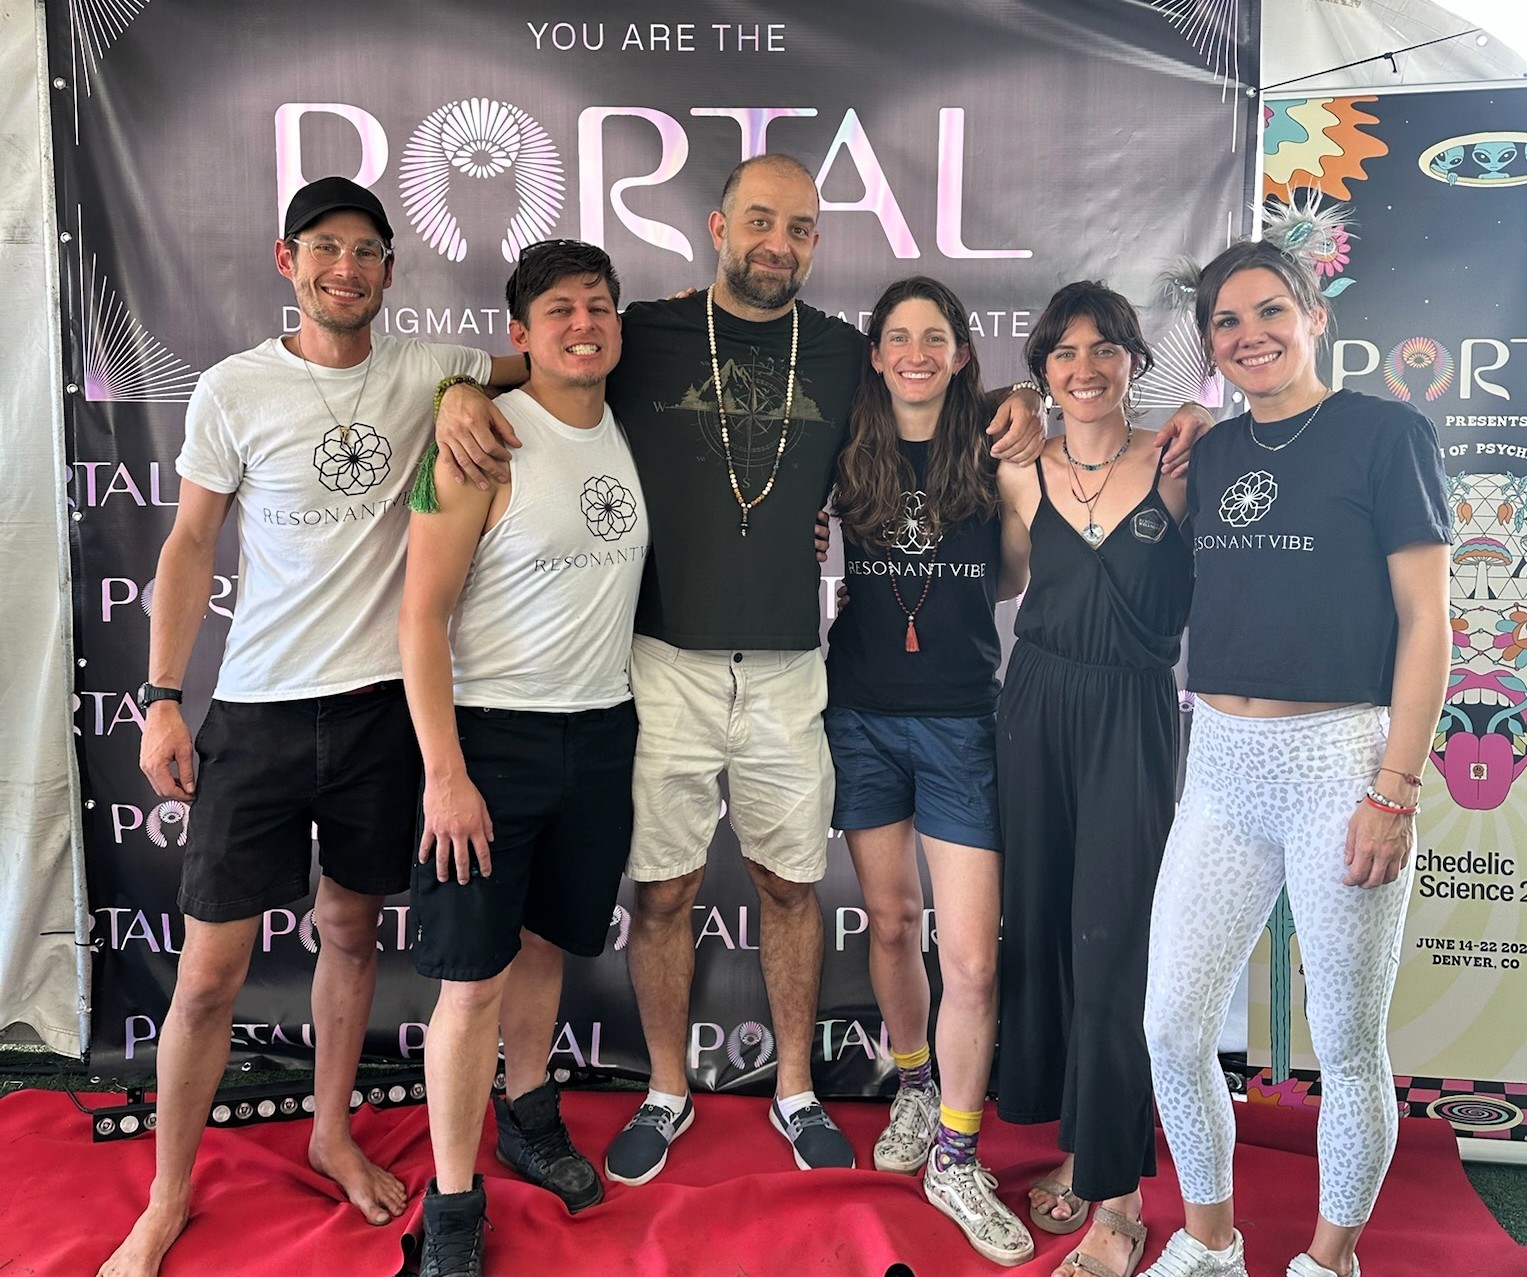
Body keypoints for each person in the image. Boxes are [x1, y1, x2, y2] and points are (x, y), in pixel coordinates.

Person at [434, 154, 1052, 1183]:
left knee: (789, 882)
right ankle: (669, 1087)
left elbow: (941, 378)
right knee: (665, 889)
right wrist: (461, 385)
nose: (779, 243)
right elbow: (546, 358)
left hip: (787, 665)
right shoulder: (648, 335)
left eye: (801, 228)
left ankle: (797, 1085)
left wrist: (1026, 396)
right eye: (760, 222)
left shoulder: (849, 351)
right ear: (718, 226)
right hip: (662, 656)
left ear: (817, 241)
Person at [99, 176, 522, 1277]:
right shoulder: (234, 388)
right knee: (205, 978)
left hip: (385, 713)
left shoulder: (429, 367)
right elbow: (189, 546)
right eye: (325, 249)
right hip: (257, 715)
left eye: (368, 251)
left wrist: (472, 397)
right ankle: (166, 1195)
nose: (348, 268)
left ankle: (331, 1131)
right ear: (287, 260)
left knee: (349, 932)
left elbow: (542, 362)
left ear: (391, 269)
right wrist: (159, 697)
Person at [1140, 228, 1452, 1277]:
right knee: (1174, 1026)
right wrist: (1189, 426)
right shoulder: (1211, 450)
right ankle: (1211, 1239)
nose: (1250, 332)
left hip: (1341, 764)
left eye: (1271, 309)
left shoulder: (1384, 432)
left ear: (1317, 317)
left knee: (1349, 1040)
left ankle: (1329, 1260)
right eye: (1227, 321)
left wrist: (1394, 791)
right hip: (1219, 765)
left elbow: (1428, 623)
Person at [398, 240, 647, 1277]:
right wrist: (445, 772)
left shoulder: (630, 428)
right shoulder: (478, 441)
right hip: (492, 739)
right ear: (519, 332)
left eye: (597, 305)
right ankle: (452, 1204)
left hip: (600, 733)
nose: (582, 322)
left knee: (545, 946)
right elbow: (419, 614)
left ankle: (529, 1109)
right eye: (558, 309)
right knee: (471, 979)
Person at [824, 276, 1031, 1265]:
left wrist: (1025, 436)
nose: (915, 350)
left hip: (959, 718)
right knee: (895, 922)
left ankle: (956, 1150)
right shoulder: (842, 436)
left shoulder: (997, 436)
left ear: (960, 352)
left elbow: (1022, 570)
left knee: (976, 957)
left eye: (935, 336)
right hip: (859, 713)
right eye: (897, 334)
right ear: (875, 352)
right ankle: (911, 1081)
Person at [993, 281, 1193, 1277]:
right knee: (1045, 929)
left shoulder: (1179, 456)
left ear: (1132, 359)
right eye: (1065, 351)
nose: (1086, 366)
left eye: (1105, 347)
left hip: (1133, 713)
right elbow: (997, 577)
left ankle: (1118, 1199)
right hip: (1034, 708)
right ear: (1043, 369)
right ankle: (1080, 1140)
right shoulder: (1020, 468)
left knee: (1115, 941)